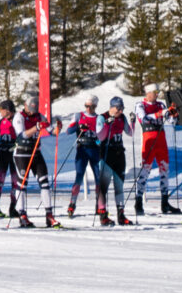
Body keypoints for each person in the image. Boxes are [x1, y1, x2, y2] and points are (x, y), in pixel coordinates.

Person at [11, 104, 60, 228]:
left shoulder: (40, 116)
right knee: (22, 183)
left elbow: (52, 131)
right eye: (30, 110)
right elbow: (22, 135)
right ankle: (22, 215)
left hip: (36, 153)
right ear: (25, 106)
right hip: (22, 153)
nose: (32, 113)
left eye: (34, 110)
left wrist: (58, 128)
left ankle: (49, 215)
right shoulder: (19, 116)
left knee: (45, 182)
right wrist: (36, 127)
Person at [134, 85, 178, 216]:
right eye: (155, 92)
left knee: (165, 170)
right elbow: (144, 118)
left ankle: (165, 202)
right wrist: (159, 114)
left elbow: (171, 121)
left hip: (161, 139)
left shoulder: (161, 105)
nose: (157, 94)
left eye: (158, 92)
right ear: (148, 93)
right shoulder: (140, 105)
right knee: (146, 170)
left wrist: (173, 114)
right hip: (149, 138)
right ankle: (138, 201)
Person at [68, 95, 108, 224]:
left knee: (98, 179)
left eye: (91, 107)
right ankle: (72, 204)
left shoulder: (99, 118)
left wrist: (98, 141)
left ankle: (99, 205)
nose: (88, 109)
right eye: (86, 106)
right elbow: (69, 130)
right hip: (82, 150)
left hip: (95, 151)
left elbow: (102, 136)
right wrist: (79, 126)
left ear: (95, 106)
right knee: (79, 177)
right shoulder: (79, 116)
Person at [98, 96, 133, 225]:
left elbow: (130, 132)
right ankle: (103, 215)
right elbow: (100, 136)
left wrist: (133, 122)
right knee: (104, 186)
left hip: (119, 154)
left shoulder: (122, 117)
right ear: (112, 107)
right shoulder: (102, 117)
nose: (121, 111)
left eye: (122, 108)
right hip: (106, 155)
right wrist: (107, 124)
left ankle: (121, 215)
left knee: (119, 185)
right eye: (118, 108)